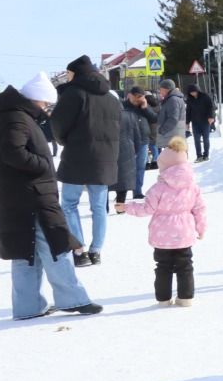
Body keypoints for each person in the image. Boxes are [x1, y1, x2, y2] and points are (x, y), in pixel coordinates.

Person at [0, 74, 101, 318]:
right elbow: (14, 153)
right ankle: (72, 299)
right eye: (45, 104)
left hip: (21, 195)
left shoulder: (14, 114)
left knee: (26, 252)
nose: (46, 109)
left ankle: (28, 307)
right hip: (31, 196)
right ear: (36, 99)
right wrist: (43, 165)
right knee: (56, 245)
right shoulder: (16, 117)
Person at [119, 135, 207, 307]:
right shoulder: (192, 186)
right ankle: (186, 298)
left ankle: (164, 299)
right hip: (184, 233)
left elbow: (147, 209)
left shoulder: (158, 188)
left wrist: (127, 207)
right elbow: (200, 209)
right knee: (186, 266)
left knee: (163, 267)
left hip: (162, 235)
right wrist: (201, 228)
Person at [51, 55, 121, 267]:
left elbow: (58, 124)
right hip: (104, 158)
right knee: (99, 206)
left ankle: (79, 250)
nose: (68, 77)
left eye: (69, 73)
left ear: (76, 73)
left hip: (77, 156)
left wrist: (63, 141)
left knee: (70, 204)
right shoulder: (111, 97)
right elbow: (119, 127)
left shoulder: (73, 93)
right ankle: (96, 250)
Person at [115, 86, 153, 206]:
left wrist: (145, 108)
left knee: (140, 167)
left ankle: (137, 191)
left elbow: (154, 118)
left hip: (143, 140)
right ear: (130, 95)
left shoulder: (143, 106)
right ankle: (121, 192)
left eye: (140, 97)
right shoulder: (122, 106)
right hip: (128, 141)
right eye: (136, 97)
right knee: (125, 169)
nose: (137, 100)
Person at [185, 83, 216, 161]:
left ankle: (206, 155)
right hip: (195, 122)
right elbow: (188, 111)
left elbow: (211, 107)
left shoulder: (205, 97)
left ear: (197, 90)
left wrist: (211, 117)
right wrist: (187, 122)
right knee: (196, 140)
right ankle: (199, 156)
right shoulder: (190, 99)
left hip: (205, 121)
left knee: (206, 139)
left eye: (194, 91)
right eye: (191, 92)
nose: (192, 93)